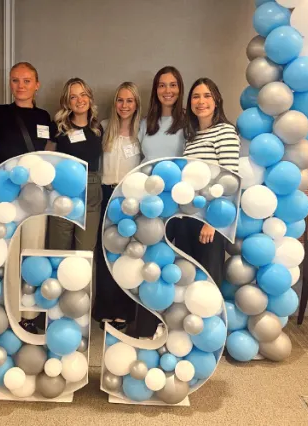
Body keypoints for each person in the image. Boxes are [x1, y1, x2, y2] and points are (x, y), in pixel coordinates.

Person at [0, 62, 57, 334]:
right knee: (5, 253)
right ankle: (5, 309)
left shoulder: (45, 117)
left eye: (27, 80)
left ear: (37, 84)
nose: (21, 85)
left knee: (32, 251)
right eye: (15, 80)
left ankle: (27, 314)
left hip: (36, 197)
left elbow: (50, 157)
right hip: (5, 197)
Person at [134, 66, 186, 338]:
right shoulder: (145, 123)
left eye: (173, 85)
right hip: (149, 204)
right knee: (149, 263)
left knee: (173, 265)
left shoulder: (188, 123)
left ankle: (170, 323)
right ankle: (146, 322)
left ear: (180, 89)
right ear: (155, 90)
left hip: (177, 206)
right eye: (162, 85)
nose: (168, 90)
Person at [179, 77, 240, 286]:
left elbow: (230, 181)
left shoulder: (225, 132)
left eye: (207, 96)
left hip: (210, 219)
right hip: (188, 216)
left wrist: (212, 222)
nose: (201, 101)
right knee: (189, 278)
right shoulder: (191, 137)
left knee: (208, 280)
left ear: (217, 101)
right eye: (195, 96)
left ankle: (212, 319)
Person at [93, 82, 142, 331]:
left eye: (129, 101)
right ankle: (104, 310)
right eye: (120, 100)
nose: (124, 105)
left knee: (125, 254)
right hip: (104, 194)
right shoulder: (102, 128)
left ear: (136, 104)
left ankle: (123, 311)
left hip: (129, 199)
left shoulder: (141, 131)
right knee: (104, 254)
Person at [47, 77, 103, 262]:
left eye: (83, 95)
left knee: (86, 252)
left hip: (92, 192)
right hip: (63, 192)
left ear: (90, 98)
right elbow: (47, 162)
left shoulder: (97, 128)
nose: (80, 100)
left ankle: (86, 291)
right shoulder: (58, 128)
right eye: (73, 97)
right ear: (67, 102)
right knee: (58, 249)